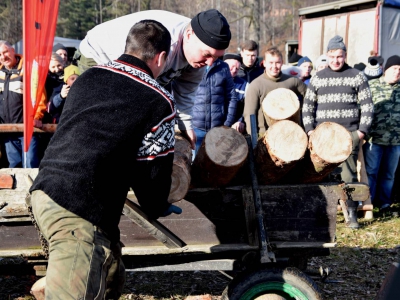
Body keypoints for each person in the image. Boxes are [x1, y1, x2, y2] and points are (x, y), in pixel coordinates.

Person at [29, 20, 182, 298]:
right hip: (78, 209)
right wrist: (158, 203)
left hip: (45, 190)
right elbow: (151, 171)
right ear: (161, 57)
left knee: (110, 275)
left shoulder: (89, 76)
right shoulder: (158, 100)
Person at [77, 9, 231, 150]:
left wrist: (185, 126)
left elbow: (185, 93)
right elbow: (133, 93)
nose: (210, 63)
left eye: (216, 58)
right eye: (207, 54)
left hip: (135, 74)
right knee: (103, 122)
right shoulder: (160, 43)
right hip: (98, 55)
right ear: (189, 35)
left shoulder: (196, 56)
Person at [302, 35, 374, 228]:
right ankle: (323, 215)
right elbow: (307, 107)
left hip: (348, 134)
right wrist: (310, 131)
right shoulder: (318, 77)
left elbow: (368, 106)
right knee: (321, 174)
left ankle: (351, 214)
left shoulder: (356, 75)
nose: (336, 60)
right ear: (327, 55)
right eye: (332, 56)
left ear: (345, 55)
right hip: (323, 136)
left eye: (340, 56)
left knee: (349, 176)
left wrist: (361, 132)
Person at [363, 55, 400, 214]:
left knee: (389, 175)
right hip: (374, 140)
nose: (397, 72)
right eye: (394, 68)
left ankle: (384, 203)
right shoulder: (372, 86)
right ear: (386, 69)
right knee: (371, 173)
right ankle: (367, 203)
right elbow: (363, 109)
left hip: (396, 141)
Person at [0, 40, 46, 168]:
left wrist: (37, 116)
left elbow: (39, 95)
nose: (3, 57)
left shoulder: (29, 68)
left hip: (27, 129)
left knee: (30, 164)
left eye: (5, 52)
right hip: (7, 129)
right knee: (13, 166)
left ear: (13, 51)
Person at [243, 47, 307, 136]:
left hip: (290, 134)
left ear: (282, 63)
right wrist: (253, 138)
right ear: (264, 63)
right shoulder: (256, 85)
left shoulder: (292, 81)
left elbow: (310, 97)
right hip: (265, 135)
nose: (274, 66)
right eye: (271, 63)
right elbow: (250, 114)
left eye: (277, 62)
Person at [192, 59, 239, 156]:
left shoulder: (223, 67)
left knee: (216, 164)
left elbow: (231, 97)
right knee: (194, 164)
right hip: (196, 129)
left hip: (218, 129)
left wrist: (227, 123)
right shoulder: (193, 64)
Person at [223, 53, 248, 133]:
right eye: (232, 67)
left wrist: (241, 121)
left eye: (237, 68)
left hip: (233, 127)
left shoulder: (244, 85)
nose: (234, 70)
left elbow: (246, 108)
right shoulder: (213, 81)